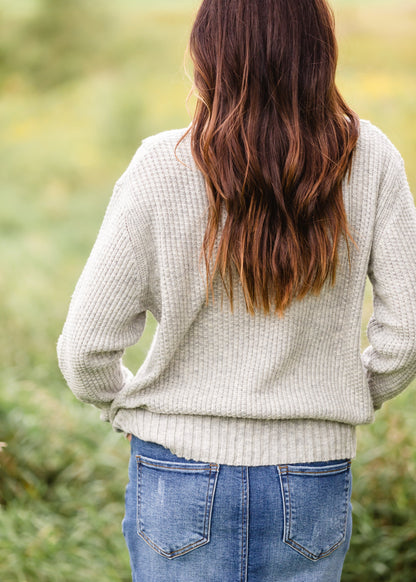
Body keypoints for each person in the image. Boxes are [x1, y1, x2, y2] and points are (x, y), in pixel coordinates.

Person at [57, 0, 416, 580]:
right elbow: (408, 335)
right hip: (313, 473)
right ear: (320, 52)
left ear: (208, 52)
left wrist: (128, 407)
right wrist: (340, 397)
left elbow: (84, 350)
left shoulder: (161, 164)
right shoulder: (369, 158)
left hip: (175, 470)